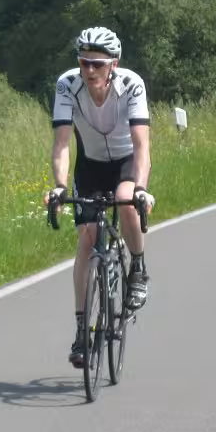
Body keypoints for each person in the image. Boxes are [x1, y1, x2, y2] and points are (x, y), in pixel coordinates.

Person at [44, 26, 155, 368]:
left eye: (97, 64)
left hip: (125, 162)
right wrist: (59, 185)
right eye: (84, 62)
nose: (89, 70)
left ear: (113, 64)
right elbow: (62, 143)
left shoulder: (132, 84)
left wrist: (140, 188)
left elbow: (142, 146)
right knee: (88, 238)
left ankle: (137, 268)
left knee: (125, 200)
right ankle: (82, 332)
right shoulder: (67, 85)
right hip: (90, 165)